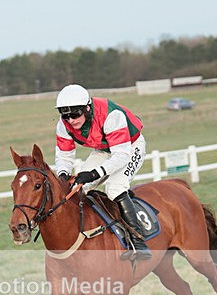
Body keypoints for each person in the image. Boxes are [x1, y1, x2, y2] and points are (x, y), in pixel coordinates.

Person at [55, 83, 152, 260]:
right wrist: (62, 175)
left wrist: (93, 174)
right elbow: (64, 155)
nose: (70, 120)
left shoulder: (110, 116)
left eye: (75, 114)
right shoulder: (64, 125)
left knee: (114, 187)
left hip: (130, 147)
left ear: (87, 108)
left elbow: (121, 156)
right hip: (104, 150)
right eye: (65, 115)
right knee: (77, 189)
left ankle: (139, 242)